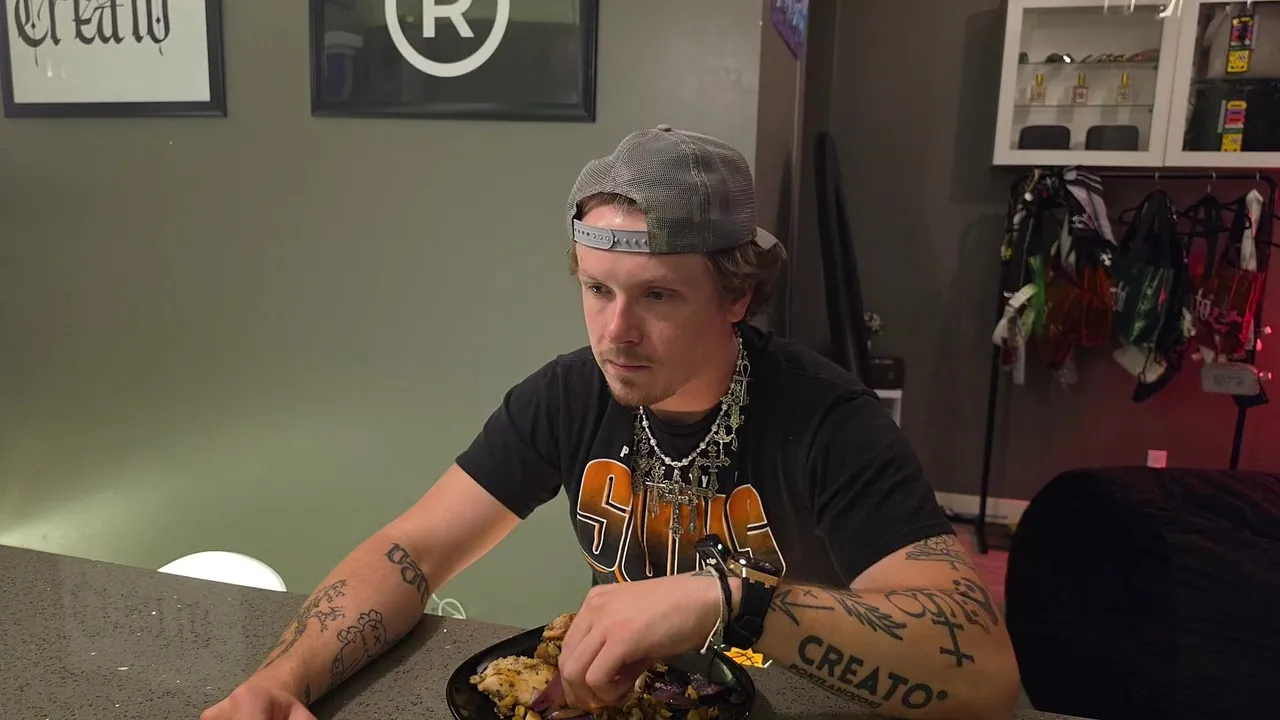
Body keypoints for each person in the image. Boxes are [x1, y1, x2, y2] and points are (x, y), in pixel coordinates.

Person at [203, 125, 1021, 720]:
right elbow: (414, 552)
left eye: (657, 296)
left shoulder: (828, 422)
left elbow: (983, 676)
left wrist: (731, 603)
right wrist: (281, 681)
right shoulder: (568, 395)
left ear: (737, 295)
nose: (615, 334)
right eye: (597, 289)